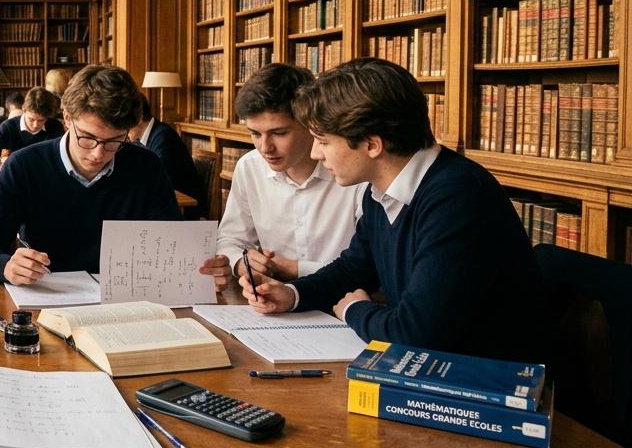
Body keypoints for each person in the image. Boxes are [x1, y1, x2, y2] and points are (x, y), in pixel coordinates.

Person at [238, 57, 549, 363]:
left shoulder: (457, 197)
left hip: (484, 380)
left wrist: (353, 309)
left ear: (372, 145)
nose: (316, 153)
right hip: (431, 367)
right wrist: (292, 295)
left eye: (323, 141)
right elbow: (354, 269)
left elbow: (415, 333)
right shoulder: (380, 191)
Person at [0, 64, 183, 285]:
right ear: (67, 118)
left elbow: (173, 242)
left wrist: (197, 264)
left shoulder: (147, 166)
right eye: (88, 138)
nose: (98, 154)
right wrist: (6, 266)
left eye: (114, 141)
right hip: (46, 292)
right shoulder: (23, 165)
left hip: (123, 294)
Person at [198, 64, 364, 288]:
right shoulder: (249, 167)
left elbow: (367, 266)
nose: (265, 148)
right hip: (268, 296)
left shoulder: (354, 171)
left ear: (310, 123)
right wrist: (242, 263)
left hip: (344, 297)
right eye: (255, 134)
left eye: (279, 133)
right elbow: (230, 239)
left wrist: (296, 269)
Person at [128, 93, 209, 219]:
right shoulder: (143, 138)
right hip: (165, 204)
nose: (123, 132)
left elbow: (157, 181)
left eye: (124, 125)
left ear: (138, 118)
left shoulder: (163, 136)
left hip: (185, 211)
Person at [0, 86, 63, 170]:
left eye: (41, 120)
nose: (35, 125)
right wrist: (1, 162)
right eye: (31, 119)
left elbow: (62, 158)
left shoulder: (55, 127)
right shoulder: (8, 127)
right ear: (23, 109)